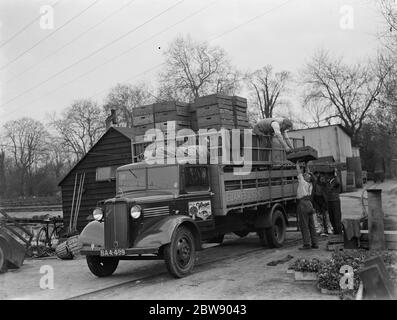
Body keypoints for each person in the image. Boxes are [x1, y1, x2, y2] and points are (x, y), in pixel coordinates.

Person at [296, 162, 318, 250]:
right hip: (309, 204)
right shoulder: (311, 184)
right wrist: (306, 164)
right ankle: (315, 243)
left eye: (306, 175)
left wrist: (297, 164)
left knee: (304, 225)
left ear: (306, 178)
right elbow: (308, 173)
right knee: (311, 225)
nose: (304, 174)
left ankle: (306, 244)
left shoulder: (302, 182)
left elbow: (298, 172)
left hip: (303, 204)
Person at [312, 172, 333, 236]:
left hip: (324, 201)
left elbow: (327, 194)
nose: (322, 179)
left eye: (323, 178)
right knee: (319, 215)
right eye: (321, 178)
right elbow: (313, 192)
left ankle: (328, 228)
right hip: (317, 200)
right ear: (319, 178)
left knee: (326, 215)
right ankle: (320, 228)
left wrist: (325, 202)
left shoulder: (326, 185)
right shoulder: (316, 184)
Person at [326, 168, 342, 234]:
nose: (326, 175)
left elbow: (338, 182)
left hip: (335, 201)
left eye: (327, 174)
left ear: (330, 174)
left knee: (336, 217)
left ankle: (339, 232)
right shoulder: (329, 180)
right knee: (331, 217)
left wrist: (336, 173)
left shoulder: (335, 180)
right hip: (329, 200)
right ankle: (335, 231)